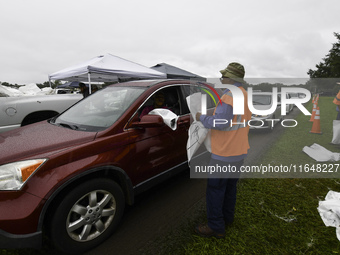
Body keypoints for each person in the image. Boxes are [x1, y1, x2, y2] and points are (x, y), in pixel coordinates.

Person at [194, 62, 251, 238]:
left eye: (224, 76)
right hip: (238, 151)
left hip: (224, 153)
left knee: (216, 189)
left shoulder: (228, 97)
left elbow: (221, 123)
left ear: (231, 78)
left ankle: (216, 227)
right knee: (229, 188)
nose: (221, 78)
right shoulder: (244, 94)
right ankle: (227, 218)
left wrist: (201, 117)